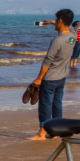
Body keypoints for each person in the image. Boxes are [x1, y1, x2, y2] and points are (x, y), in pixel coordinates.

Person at [27, 9, 76, 141]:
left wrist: (38, 78)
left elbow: (47, 61)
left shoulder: (57, 40)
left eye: (56, 21)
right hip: (62, 76)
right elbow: (69, 26)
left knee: (45, 105)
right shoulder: (73, 36)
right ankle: (55, 132)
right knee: (57, 104)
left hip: (50, 77)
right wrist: (50, 22)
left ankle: (41, 133)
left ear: (60, 21)